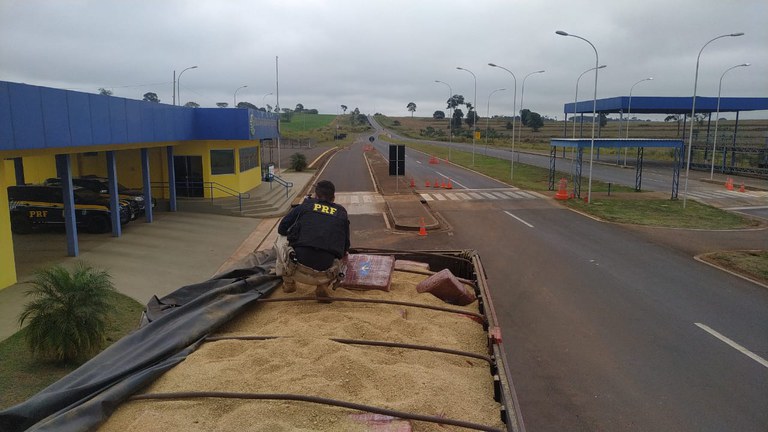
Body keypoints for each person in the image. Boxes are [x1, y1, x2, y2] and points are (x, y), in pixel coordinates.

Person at [275, 180, 350, 300]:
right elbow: (346, 246)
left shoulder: (305, 206)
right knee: (343, 252)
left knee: (280, 238)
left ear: (316, 196)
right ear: (333, 198)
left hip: (296, 269)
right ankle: (323, 285)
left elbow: (282, 229)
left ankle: (289, 283)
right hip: (325, 273)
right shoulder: (342, 213)